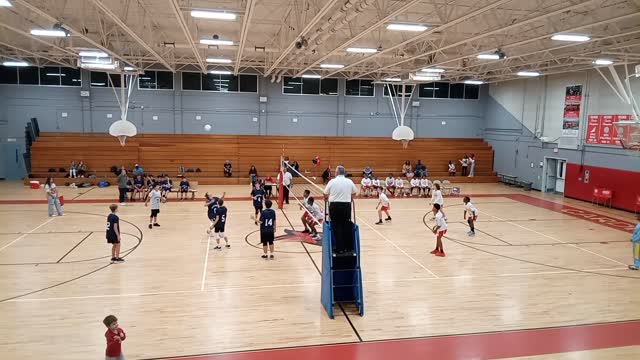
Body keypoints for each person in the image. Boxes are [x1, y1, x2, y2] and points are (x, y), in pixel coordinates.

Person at [323, 165, 357, 254]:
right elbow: (354, 192)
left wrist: (326, 198)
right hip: (346, 206)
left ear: (337, 172)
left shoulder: (332, 181)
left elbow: (325, 193)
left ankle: (340, 248)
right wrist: (350, 199)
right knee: (346, 225)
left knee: (336, 226)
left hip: (335, 206)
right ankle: (348, 248)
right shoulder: (349, 181)